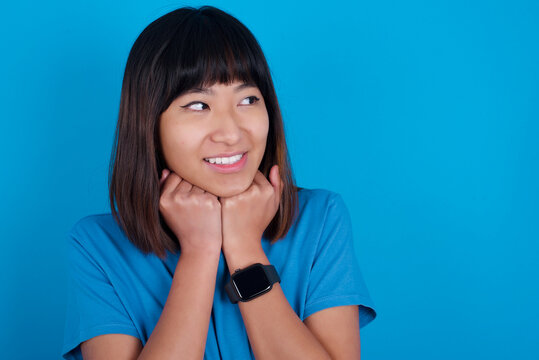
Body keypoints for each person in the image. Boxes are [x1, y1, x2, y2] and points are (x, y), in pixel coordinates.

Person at [62, 5, 377, 360]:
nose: (231, 133)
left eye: (248, 100)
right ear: (149, 123)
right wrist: (199, 251)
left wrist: (244, 247)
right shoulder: (98, 246)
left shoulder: (319, 219)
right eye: (198, 105)